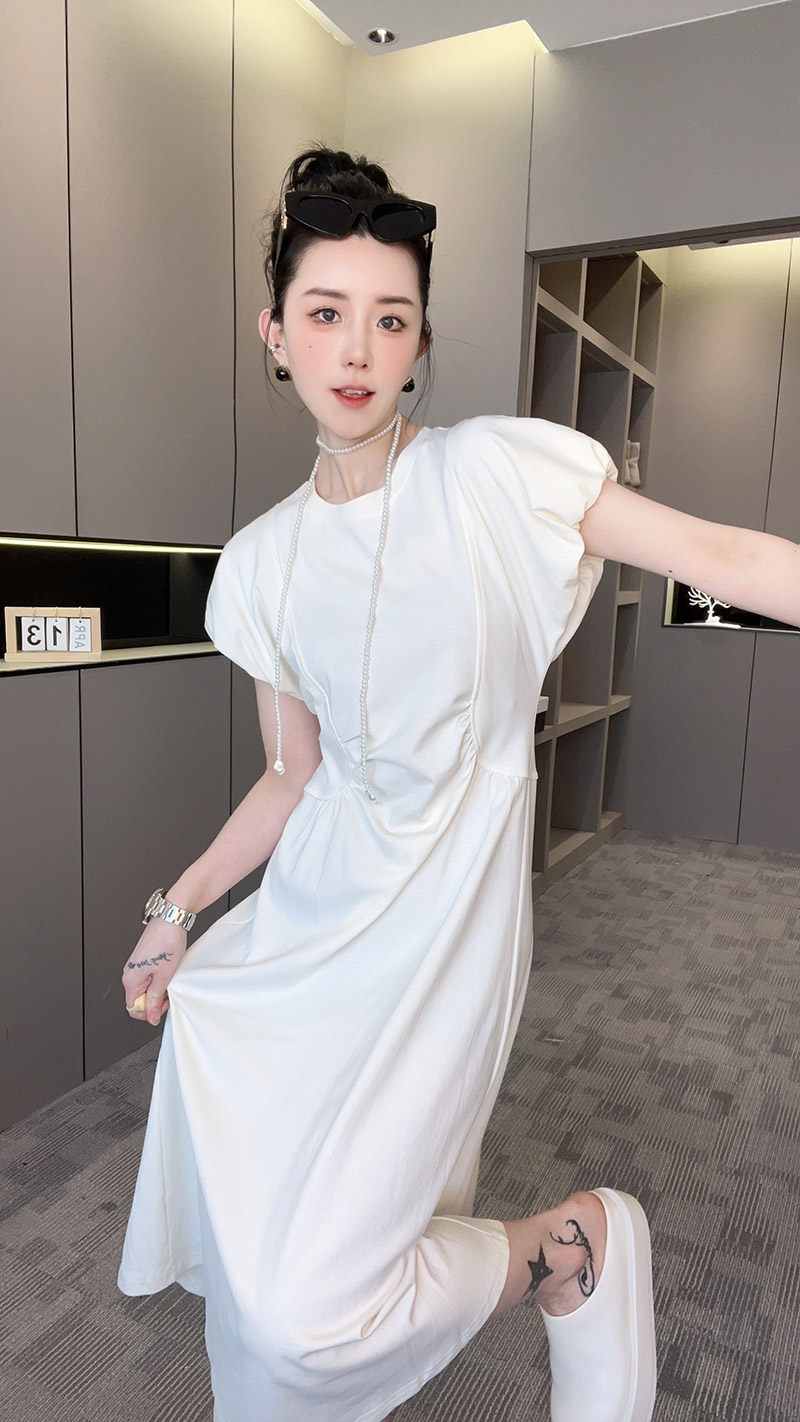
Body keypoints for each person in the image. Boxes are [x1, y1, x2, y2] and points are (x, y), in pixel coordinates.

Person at [118, 147, 800, 1422]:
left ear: (421, 339)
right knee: (269, 1274)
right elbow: (290, 777)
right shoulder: (261, 563)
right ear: (274, 333)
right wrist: (180, 906)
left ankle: (570, 1249)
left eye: (390, 319)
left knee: (315, 1302)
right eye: (325, 312)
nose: (355, 349)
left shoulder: (493, 475)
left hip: (443, 932)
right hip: (314, 923)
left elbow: (714, 551)